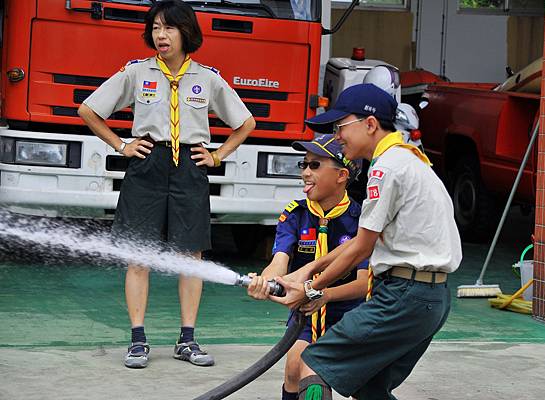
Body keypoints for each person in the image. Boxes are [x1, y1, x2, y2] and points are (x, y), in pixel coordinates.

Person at [78, 0, 255, 369]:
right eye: (156, 28)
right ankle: (138, 339)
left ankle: (187, 339)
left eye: (169, 28)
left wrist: (218, 155)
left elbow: (246, 122)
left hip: (190, 168)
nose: (161, 35)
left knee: (191, 258)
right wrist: (121, 145)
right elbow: (89, 110)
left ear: (186, 32)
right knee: (138, 256)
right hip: (147, 165)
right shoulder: (137, 73)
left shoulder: (206, 78)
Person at [271, 83, 462, 400]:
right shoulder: (409, 161)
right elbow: (364, 239)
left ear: (370, 124)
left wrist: (310, 288)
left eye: (341, 126)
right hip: (430, 297)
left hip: (405, 295)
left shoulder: (387, 168)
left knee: (313, 363)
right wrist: (306, 272)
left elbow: (362, 247)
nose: (337, 136)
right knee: (369, 387)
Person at [246, 134, 368, 400]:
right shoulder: (295, 213)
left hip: (350, 312)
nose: (305, 173)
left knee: (357, 383)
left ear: (341, 175)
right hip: (306, 311)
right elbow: (279, 261)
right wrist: (265, 283)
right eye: (304, 165)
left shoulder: (362, 220)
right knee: (293, 368)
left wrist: (322, 294)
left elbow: (364, 283)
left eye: (315, 166)